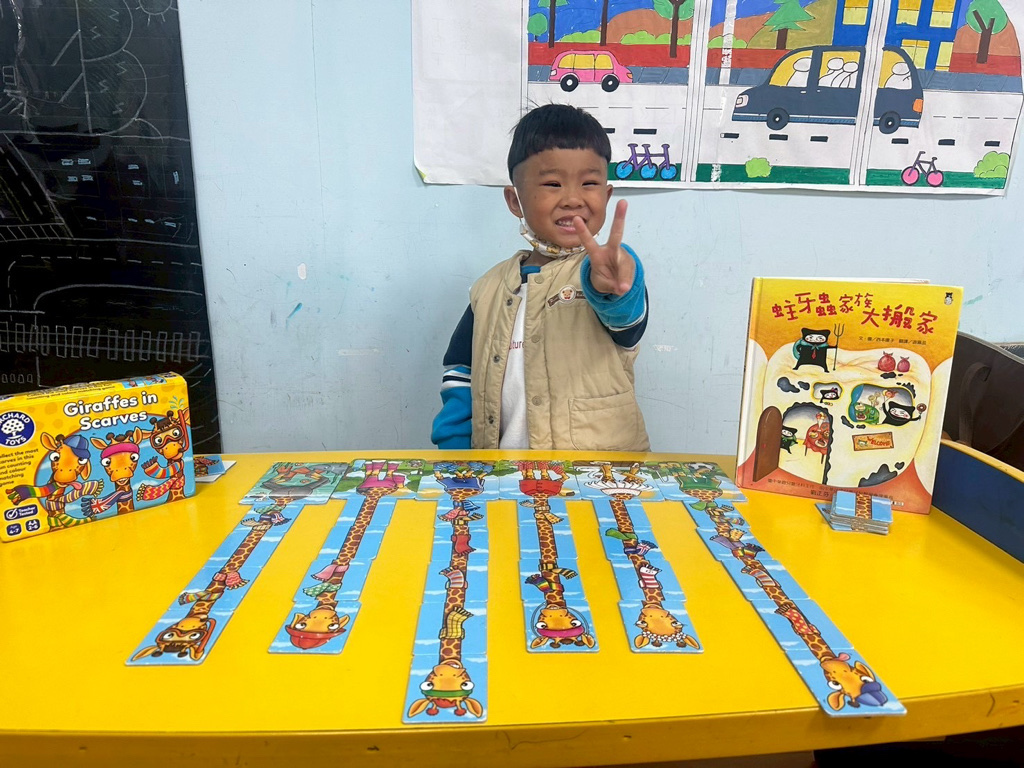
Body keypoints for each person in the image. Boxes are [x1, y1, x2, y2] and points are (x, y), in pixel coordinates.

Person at [430, 103, 650, 451]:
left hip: (598, 475)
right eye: (552, 183)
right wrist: (455, 453)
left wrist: (612, 288)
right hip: (502, 474)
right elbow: (460, 374)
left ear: (607, 196)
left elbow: (626, 317)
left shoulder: (606, 273)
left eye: (589, 183)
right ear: (515, 201)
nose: (573, 199)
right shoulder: (487, 290)